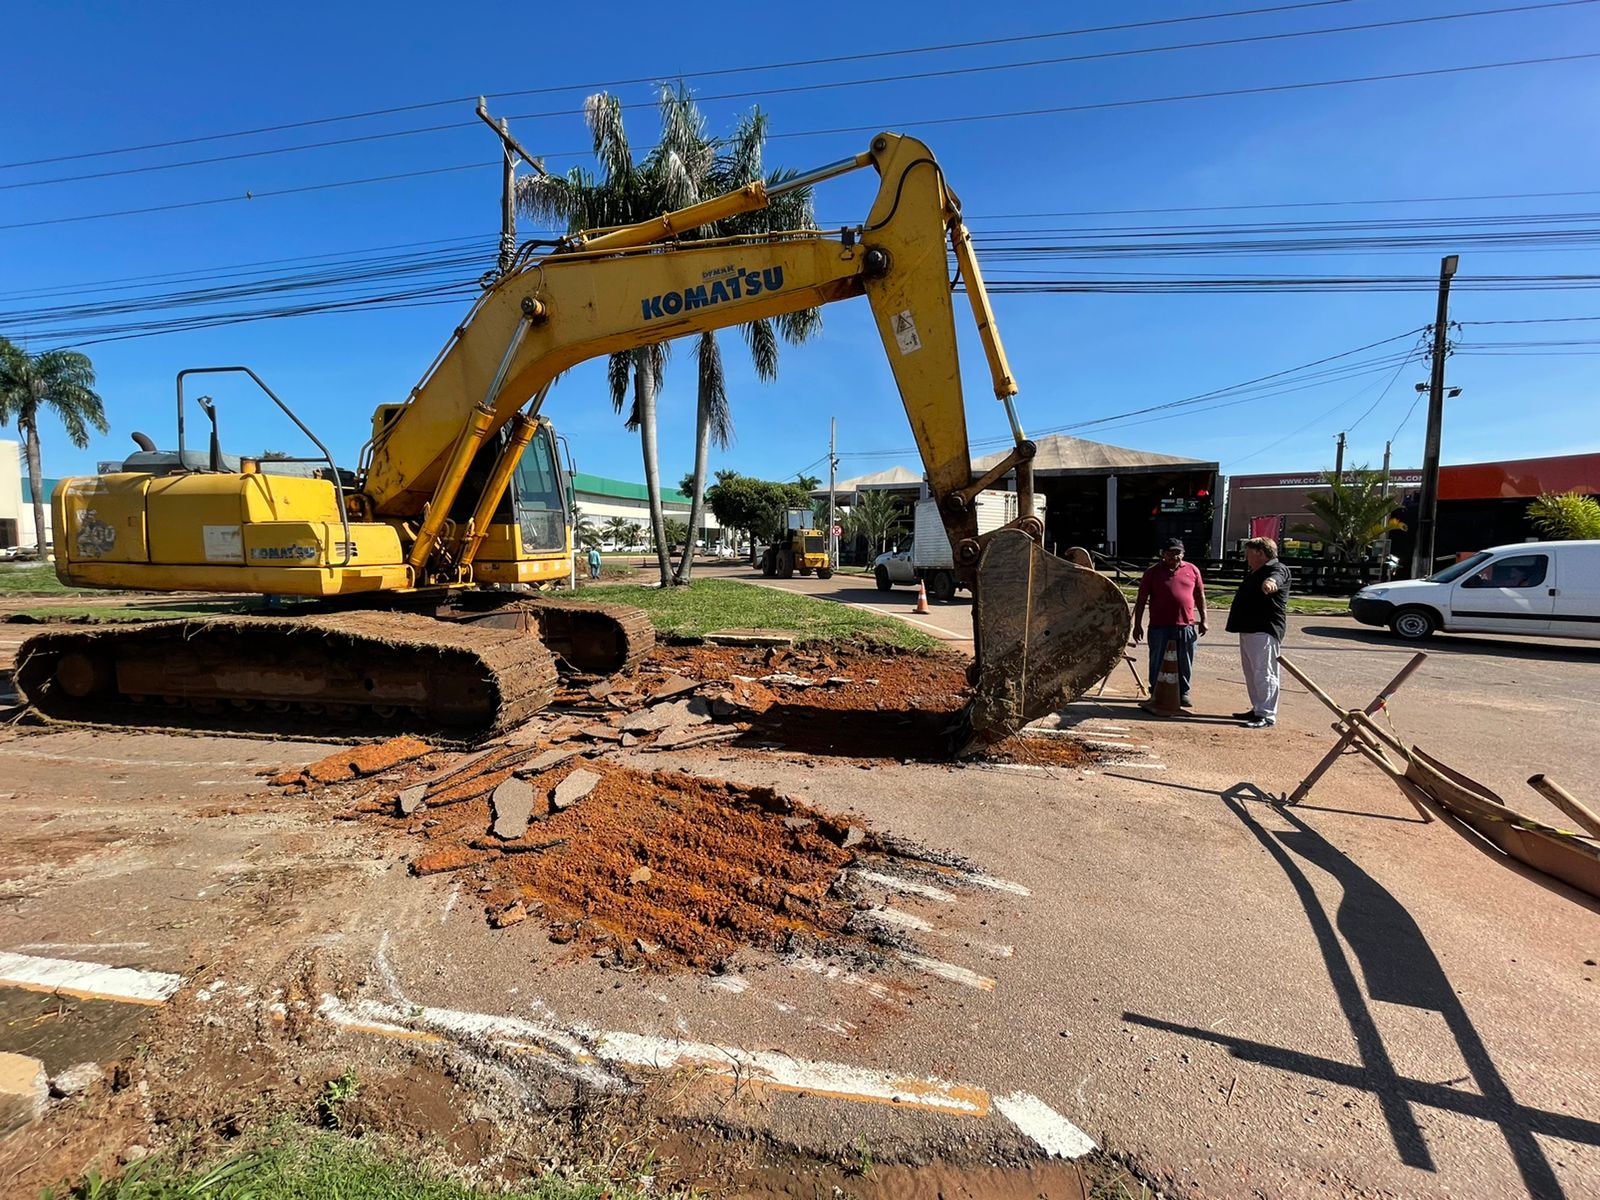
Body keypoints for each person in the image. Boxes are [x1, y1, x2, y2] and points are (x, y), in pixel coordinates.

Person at [1132, 537, 1207, 709]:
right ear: (1163, 554)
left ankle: (1183, 693)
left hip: (1186, 625)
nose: (1173, 556)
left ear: (1183, 553)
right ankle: (1155, 693)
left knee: (1184, 660)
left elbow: (1200, 596)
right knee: (1157, 660)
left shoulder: (1192, 570)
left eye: (1177, 553)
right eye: (1169, 553)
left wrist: (1204, 619)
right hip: (1159, 626)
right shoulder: (1152, 572)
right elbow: (1141, 599)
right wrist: (1137, 625)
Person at [1226, 536, 1291, 728]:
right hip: (1249, 628)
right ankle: (1258, 708)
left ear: (1260, 553)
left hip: (1264, 629)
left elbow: (1275, 580)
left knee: (1265, 672)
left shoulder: (1276, 569)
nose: (1246, 558)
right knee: (1252, 672)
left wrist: (1270, 583)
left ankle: (1266, 714)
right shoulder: (1257, 571)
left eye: (1249, 554)